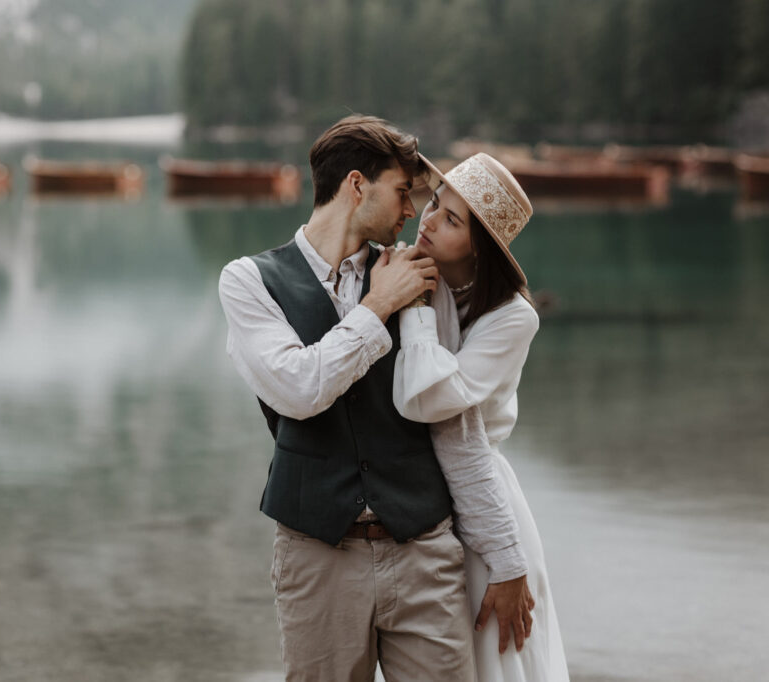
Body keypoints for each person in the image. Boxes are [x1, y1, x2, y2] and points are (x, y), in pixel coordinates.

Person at [218, 115, 534, 681]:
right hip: (318, 556)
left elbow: (458, 432)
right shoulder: (248, 281)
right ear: (357, 185)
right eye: (403, 192)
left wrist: (507, 558)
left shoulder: (420, 277)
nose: (414, 212)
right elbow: (297, 390)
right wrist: (377, 307)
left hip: (425, 553)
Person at [393, 152, 570, 681]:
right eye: (434, 204)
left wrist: (417, 310)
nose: (428, 221)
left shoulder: (512, 318)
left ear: (479, 246)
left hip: (484, 503)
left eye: (451, 220)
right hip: (418, 503)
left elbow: (433, 400)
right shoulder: (404, 271)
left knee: (495, 656)